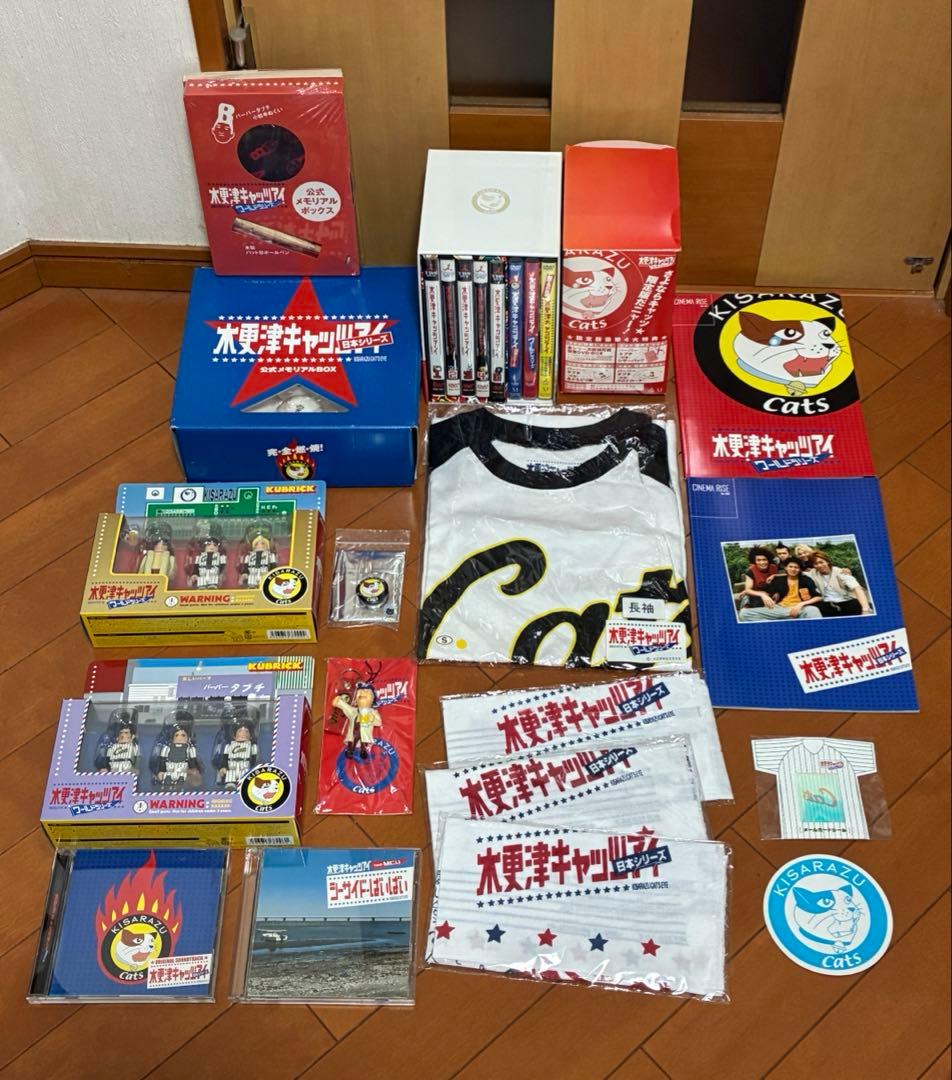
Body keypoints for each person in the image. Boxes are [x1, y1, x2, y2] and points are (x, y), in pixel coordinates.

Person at [739, 556, 823, 621]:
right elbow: (764, 589)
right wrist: (747, 591)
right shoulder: (779, 580)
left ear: (800, 569)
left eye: (796, 567)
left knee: (813, 610)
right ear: (786, 568)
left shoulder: (806, 580)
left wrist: (801, 604)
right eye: (790, 566)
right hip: (780, 609)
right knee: (744, 613)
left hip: (800, 608)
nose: (793, 569)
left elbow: (819, 597)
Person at [806, 551, 871, 617]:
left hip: (847, 602)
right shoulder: (813, 573)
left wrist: (865, 609)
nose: (819, 565)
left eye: (821, 562)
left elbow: (857, 588)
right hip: (827, 605)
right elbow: (799, 571)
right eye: (815, 564)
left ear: (827, 561)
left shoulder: (840, 572)